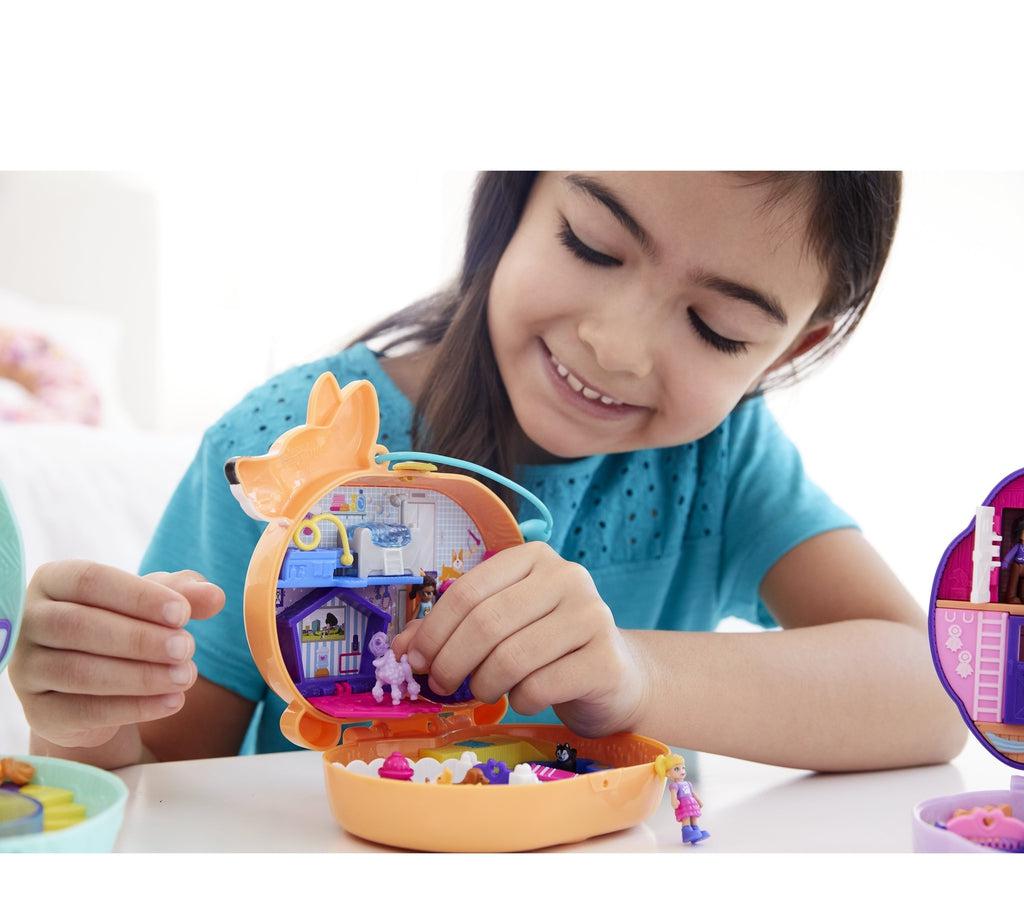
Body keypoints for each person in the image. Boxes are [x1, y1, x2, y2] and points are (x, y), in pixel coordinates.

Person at [9, 172, 965, 770]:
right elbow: (162, 777)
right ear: (514, 196)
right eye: (590, 243)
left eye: (719, 329)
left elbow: (932, 690)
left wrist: (632, 673)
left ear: (793, 348)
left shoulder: (721, 463)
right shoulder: (285, 442)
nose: (614, 344)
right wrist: (84, 722)